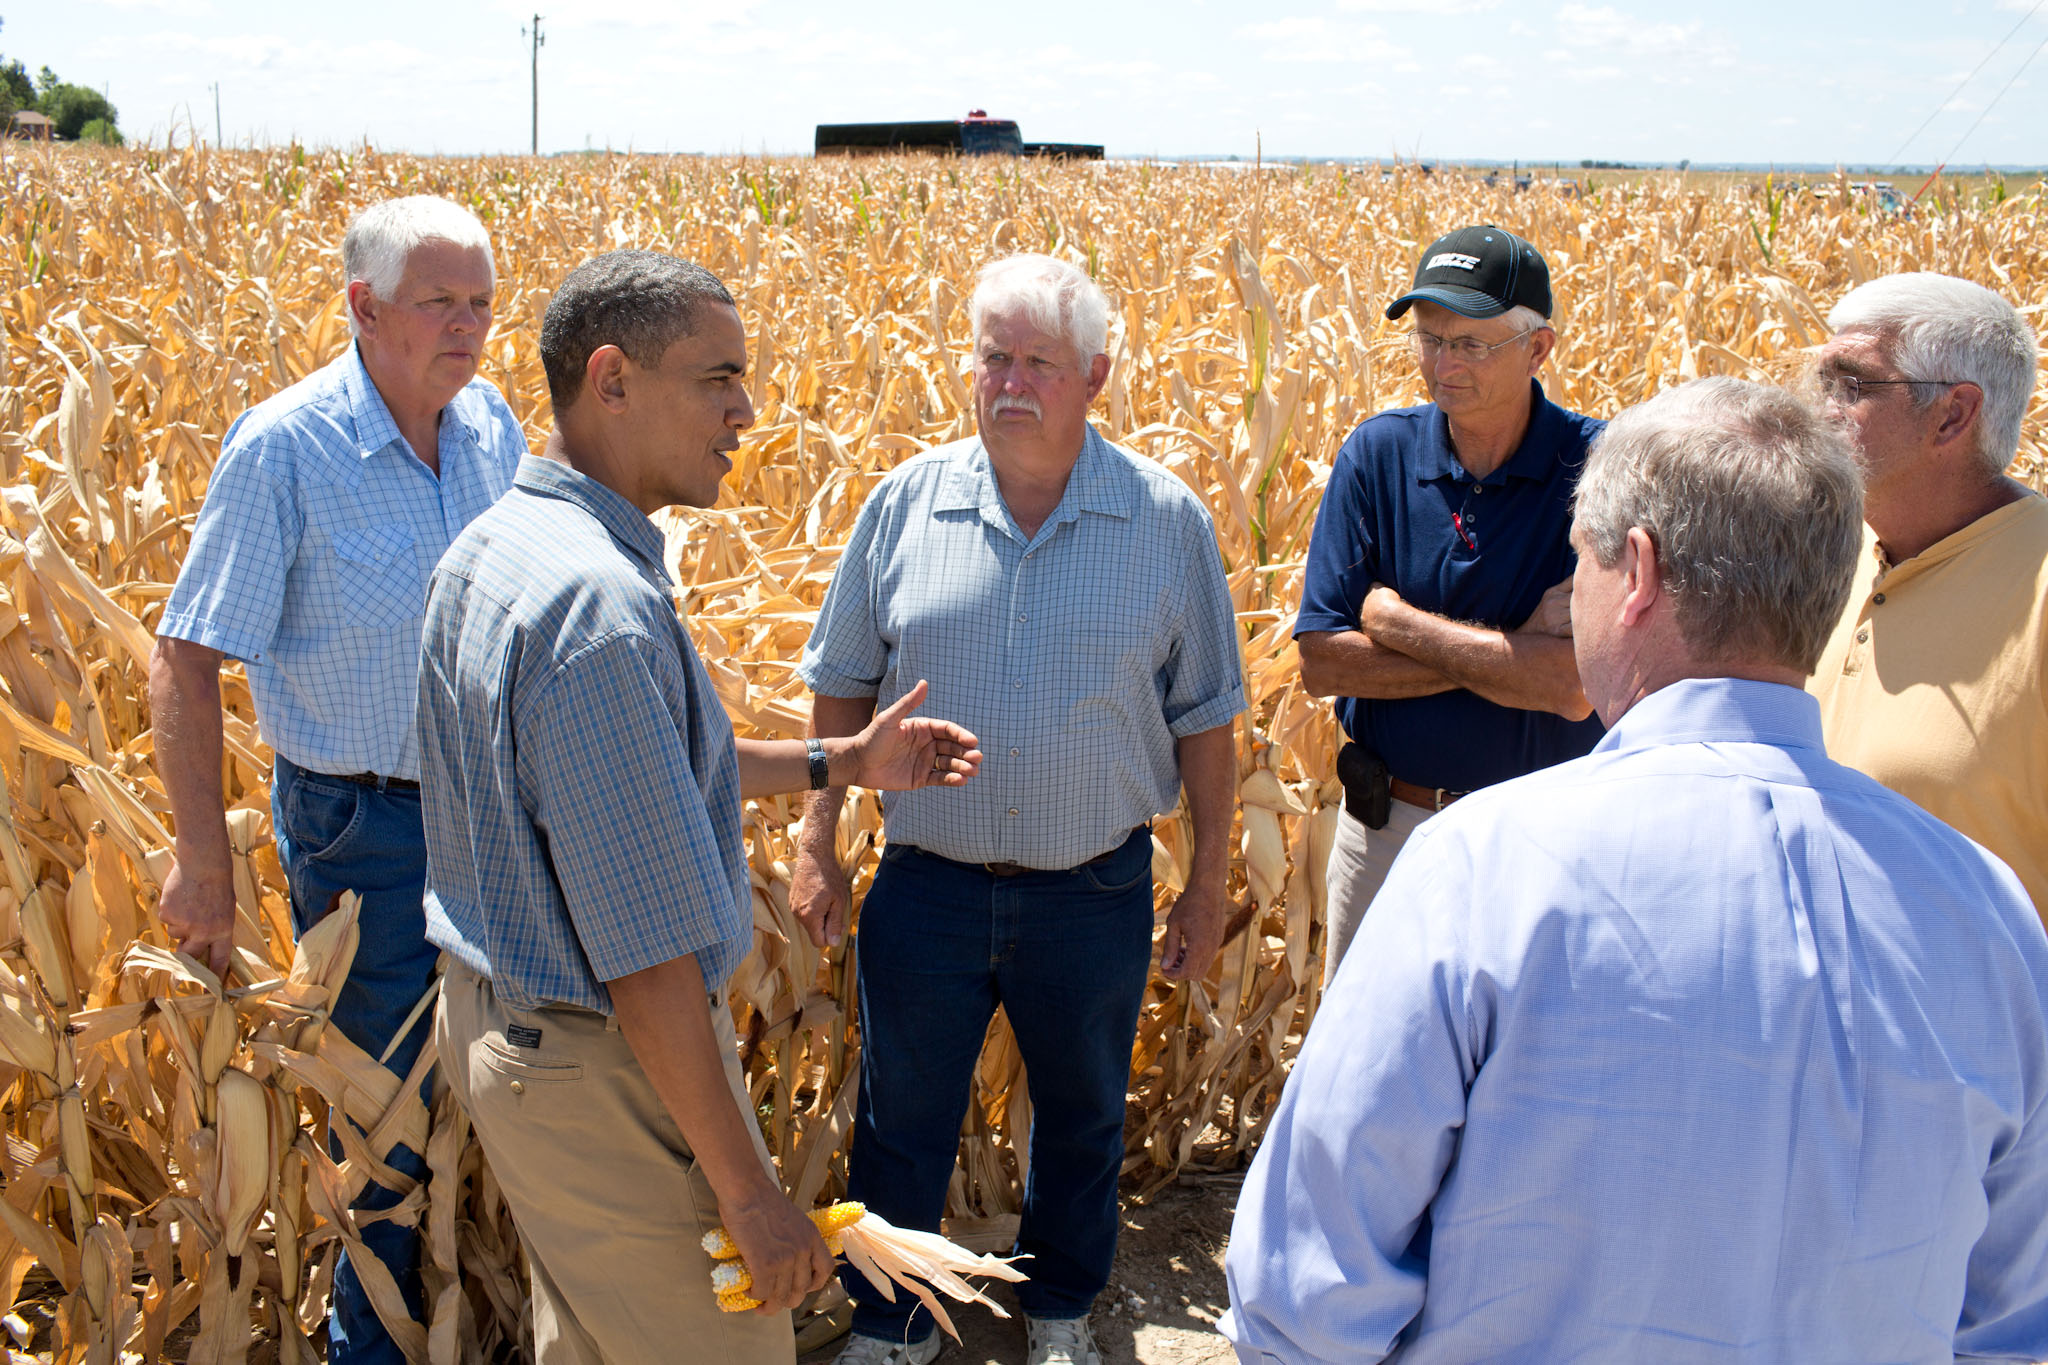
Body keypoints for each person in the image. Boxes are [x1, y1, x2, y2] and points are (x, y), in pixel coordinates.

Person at [1221, 377, 2048, 1364]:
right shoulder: (1986, 912)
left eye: (1581, 566)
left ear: (1639, 573)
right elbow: (2011, 1321)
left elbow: (1306, 1292)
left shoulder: (1482, 869)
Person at [416, 249, 982, 1365]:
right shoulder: (599, 614)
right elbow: (644, 961)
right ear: (612, 380)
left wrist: (842, 762)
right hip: (604, 1070)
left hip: (508, 1037)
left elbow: (626, 788)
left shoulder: (497, 546)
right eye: (717, 378)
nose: (747, 409)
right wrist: (752, 1196)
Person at [793, 253, 1245, 1365]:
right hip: (927, 886)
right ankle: (893, 1323)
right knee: (900, 1120)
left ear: (1094, 374)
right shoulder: (905, 502)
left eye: (1037, 361)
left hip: (1090, 890)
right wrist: (816, 838)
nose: (1009, 381)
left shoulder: (1161, 521)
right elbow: (842, 680)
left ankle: (1056, 1314)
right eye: (992, 355)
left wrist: (1205, 881)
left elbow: (1208, 720)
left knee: (1083, 1117)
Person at [149, 195, 521, 1365]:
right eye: (438, 305)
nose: (466, 330)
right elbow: (186, 654)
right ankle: (375, 1346)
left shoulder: (491, 427)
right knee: (386, 1117)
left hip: (499, 817)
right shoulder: (286, 448)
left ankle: (490, 1321)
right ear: (363, 309)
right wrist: (204, 863)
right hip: (363, 827)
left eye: (480, 303)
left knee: (516, 1087)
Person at [1293, 223, 1603, 985]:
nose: (1443, 364)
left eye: (1472, 344)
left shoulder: (1600, 467)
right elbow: (1324, 663)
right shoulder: (1378, 454)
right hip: (1386, 833)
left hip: (1541, 842)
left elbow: (1569, 687)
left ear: (1539, 349)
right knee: (1363, 1081)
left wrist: (1396, 624)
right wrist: (1513, 651)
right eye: (1431, 339)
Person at [1809, 273, 2047, 919]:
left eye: (1851, 386)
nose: (1820, 411)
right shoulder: (1826, 549)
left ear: (1952, 415)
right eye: (1822, 383)